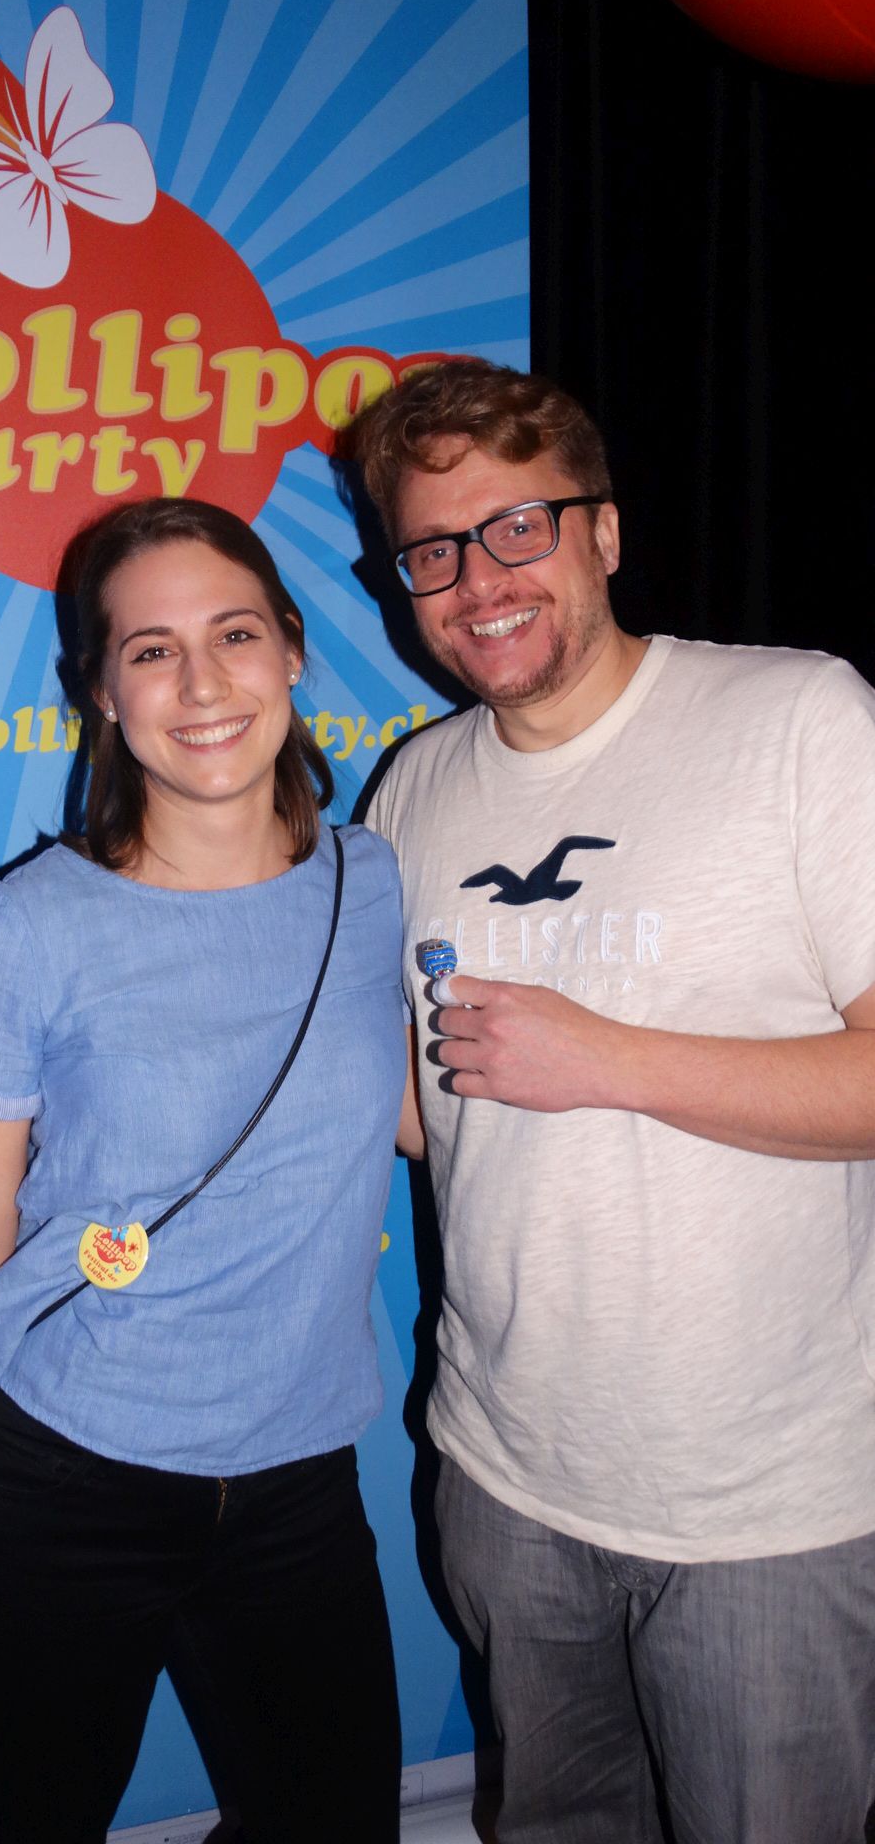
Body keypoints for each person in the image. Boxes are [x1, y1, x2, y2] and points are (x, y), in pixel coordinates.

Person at [0, 497, 416, 1844]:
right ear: (99, 691)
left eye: (236, 634)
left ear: (293, 651)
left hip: (299, 1490)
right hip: (54, 1487)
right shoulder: (21, 929)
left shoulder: (373, 883)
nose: (203, 684)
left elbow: (419, 1118)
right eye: (152, 651)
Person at [348, 359, 875, 1844]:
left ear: (607, 532)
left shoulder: (797, 716)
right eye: (433, 551)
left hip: (767, 1505)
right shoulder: (412, 790)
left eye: (519, 527)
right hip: (505, 1477)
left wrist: (614, 1059)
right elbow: (431, 1112)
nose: (478, 581)